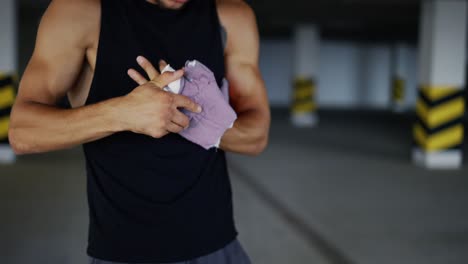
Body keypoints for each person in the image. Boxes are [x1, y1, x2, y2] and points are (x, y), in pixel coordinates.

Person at [9, 0, 270, 263]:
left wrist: (190, 112)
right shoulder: (79, 11)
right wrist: (122, 113)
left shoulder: (232, 16)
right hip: (124, 251)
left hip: (218, 246)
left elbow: (256, 137)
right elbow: (23, 133)